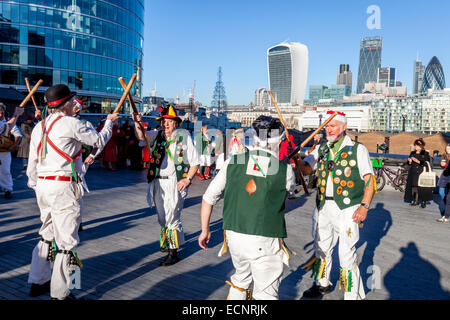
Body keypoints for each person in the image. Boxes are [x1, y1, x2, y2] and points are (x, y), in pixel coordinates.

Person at [26, 84, 118, 300]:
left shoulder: (40, 127)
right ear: (66, 104)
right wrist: (109, 124)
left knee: (46, 234)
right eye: (71, 102)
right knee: (67, 241)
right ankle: (60, 293)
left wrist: (36, 185)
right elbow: (97, 141)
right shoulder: (71, 123)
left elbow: (32, 164)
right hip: (62, 186)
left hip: (42, 186)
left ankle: (38, 281)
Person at [199, 115, 296, 300]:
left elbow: (208, 198)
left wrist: (205, 230)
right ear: (279, 139)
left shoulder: (232, 162)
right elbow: (289, 192)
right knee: (265, 293)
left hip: (234, 237)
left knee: (240, 281)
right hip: (264, 237)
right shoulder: (285, 170)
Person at [296, 110, 376, 300]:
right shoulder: (321, 149)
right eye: (326, 126)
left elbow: (369, 180)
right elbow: (307, 169)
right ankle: (321, 283)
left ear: (344, 127)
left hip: (348, 209)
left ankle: (351, 293)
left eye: (333, 126)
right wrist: (297, 158)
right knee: (321, 248)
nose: (329, 130)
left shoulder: (357, 149)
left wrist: (364, 206)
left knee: (346, 253)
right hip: (323, 206)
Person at [132, 105, 200, 266]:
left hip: (174, 182)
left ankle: (173, 252)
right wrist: (137, 122)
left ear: (176, 123)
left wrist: (187, 179)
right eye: (163, 121)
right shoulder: (157, 135)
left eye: (169, 121)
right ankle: (167, 242)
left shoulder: (184, 138)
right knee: (162, 217)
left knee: (172, 217)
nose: (165, 124)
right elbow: (142, 137)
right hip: (157, 181)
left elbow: (195, 161)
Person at [0, 103, 24, 199]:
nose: (0, 115)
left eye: (2, 112)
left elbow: (17, 134)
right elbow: (8, 126)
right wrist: (16, 114)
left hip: (4, 151)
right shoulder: (6, 124)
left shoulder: (5, 122)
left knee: (5, 170)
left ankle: (8, 189)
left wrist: (14, 145)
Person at [404, 138, 433, 208]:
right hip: (413, 172)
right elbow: (408, 163)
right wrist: (409, 161)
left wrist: (419, 162)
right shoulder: (412, 153)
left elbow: (427, 163)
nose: (416, 147)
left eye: (418, 145)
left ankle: (423, 201)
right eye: (416, 145)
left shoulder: (425, 153)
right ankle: (416, 201)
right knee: (414, 187)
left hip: (421, 172)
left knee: (422, 187)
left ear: (422, 146)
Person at [436, 144, 450, 222]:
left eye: (449, 148)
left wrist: (446, 165)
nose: (447, 149)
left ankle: (446, 214)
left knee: (449, 197)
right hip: (444, 176)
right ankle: (448, 207)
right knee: (441, 192)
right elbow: (444, 166)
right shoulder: (444, 156)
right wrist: (442, 165)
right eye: (447, 148)